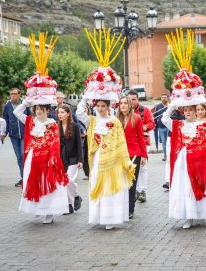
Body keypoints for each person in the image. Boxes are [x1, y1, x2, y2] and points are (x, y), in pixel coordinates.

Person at [76, 98, 135, 229]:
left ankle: (110, 218)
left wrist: (125, 160)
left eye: (103, 106)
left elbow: (121, 142)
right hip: (97, 158)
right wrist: (86, 98)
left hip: (112, 159)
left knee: (109, 185)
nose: (101, 108)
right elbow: (79, 112)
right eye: (98, 106)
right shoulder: (92, 121)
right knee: (98, 184)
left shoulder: (115, 121)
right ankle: (98, 216)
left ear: (108, 107)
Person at [163, 103, 206, 229]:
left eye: (191, 110)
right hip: (183, 162)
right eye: (185, 110)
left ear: (196, 111)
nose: (188, 112)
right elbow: (164, 119)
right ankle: (188, 216)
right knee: (186, 187)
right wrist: (172, 107)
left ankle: (201, 213)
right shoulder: (179, 125)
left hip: (200, 161)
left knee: (199, 186)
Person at [14, 101, 69, 223]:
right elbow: (16, 112)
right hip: (32, 158)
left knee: (47, 184)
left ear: (48, 111)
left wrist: (53, 157)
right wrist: (25, 103)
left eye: (41, 109)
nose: (38, 111)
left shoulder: (52, 124)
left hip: (47, 158)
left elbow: (55, 142)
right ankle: (38, 209)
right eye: (37, 109)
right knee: (33, 183)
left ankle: (49, 213)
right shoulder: (30, 121)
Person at [116, 96, 147, 219]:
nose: (123, 105)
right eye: (121, 103)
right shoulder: (116, 119)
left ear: (129, 105)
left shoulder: (136, 118)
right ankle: (121, 208)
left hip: (134, 153)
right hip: (119, 154)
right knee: (121, 182)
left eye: (125, 103)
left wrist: (144, 155)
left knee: (132, 183)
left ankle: (130, 210)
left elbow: (141, 136)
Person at [128, 89, 154, 203]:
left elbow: (152, 123)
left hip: (143, 142)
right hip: (129, 144)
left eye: (133, 100)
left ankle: (142, 190)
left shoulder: (145, 110)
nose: (131, 102)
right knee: (130, 167)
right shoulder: (124, 111)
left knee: (142, 167)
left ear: (137, 99)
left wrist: (143, 127)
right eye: (129, 100)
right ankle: (132, 190)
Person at [3, 87, 32, 187]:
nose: (12, 96)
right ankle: (23, 178)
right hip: (13, 134)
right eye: (11, 94)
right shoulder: (7, 105)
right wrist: (4, 133)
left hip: (25, 133)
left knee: (24, 155)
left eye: (15, 94)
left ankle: (28, 177)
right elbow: (5, 120)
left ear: (19, 94)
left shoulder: (25, 104)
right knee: (19, 157)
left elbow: (30, 117)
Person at [57, 105, 83, 214]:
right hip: (60, 158)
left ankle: (77, 196)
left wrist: (80, 160)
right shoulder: (56, 127)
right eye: (59, 112)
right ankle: (68, 206)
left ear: (68, 113)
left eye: (62, 112)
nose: (60, 114)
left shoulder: (75, 126)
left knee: (68, 180)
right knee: (63, 183)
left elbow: (79, 144)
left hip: (73, 157)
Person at [153, 94, 170, 161]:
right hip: (161, 127)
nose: (163, 99)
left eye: (165, 97)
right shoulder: (158, 107)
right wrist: (154, 124)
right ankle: (165, 155)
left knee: (169, 142)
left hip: (169, 127)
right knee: (164, 142)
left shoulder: (170, 106)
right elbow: (155, 116)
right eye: (162, 97)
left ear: (167, 98)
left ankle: (169, 155)